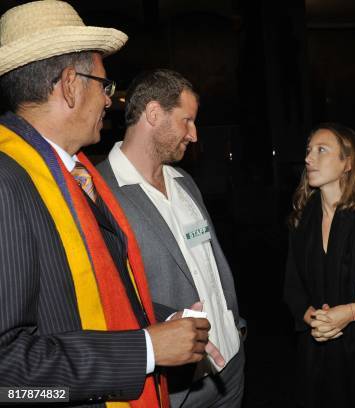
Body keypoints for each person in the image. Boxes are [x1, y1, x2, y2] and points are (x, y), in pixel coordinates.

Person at [0, 2, 221, 406]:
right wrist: (147, 349)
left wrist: (160, 321)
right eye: (104, 85)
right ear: (70, 84)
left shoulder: (75, 175)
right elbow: (7, 371)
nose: (108, 100)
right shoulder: (8, 182)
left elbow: (89, 296)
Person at [97, 69, 245, 408]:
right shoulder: (99, 193)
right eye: (187, 121)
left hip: (230, 366)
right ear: (153, 114)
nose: (193, 135)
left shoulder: (184, 182)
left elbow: (208, 261)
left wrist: (234, 328)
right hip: (177, 387)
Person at [284, 123, 355, 408]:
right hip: (315, 356)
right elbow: (292, 287)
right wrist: (311, 317)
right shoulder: (301, 219)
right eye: (308, 150)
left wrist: (352, 312)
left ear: (348, 163)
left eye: (321, 150)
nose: (308, 158)